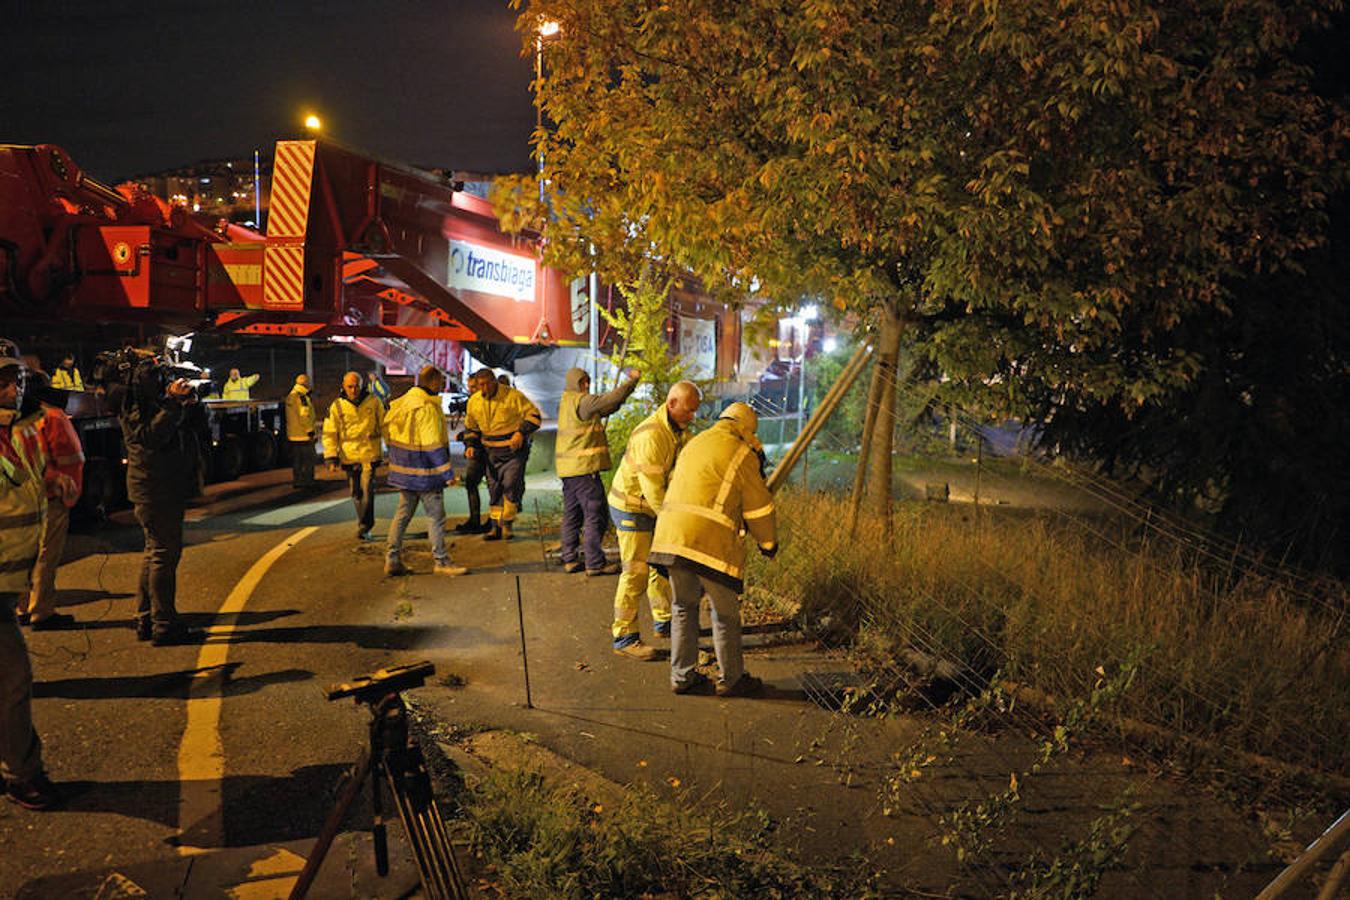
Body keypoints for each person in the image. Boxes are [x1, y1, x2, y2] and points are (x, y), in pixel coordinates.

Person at [650, 402, 777, 697]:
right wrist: (768, 543)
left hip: (670, 538)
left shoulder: (696, 442)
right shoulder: (742, 453)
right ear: (746, 429)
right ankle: (732, 679)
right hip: (709, 545)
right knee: (725, 613)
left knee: (683, 607)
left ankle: (682, 677)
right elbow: (758, 508)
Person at [0, 340, 60, 809]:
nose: (13, 388)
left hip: (8, 586)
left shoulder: (22, 432)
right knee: (13, 682)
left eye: (17, 379)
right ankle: (23, 774)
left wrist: (53, 484)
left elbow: (26, 487)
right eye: (3, 380)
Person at [606, 381, 701, 661]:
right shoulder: (653, 435)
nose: (692, 416)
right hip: (633, 507)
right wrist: (672, 522)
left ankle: (664, 622)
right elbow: (653, 490)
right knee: (635, 572)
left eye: (695, 411)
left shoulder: (676, 430)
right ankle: (624, 637)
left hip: (649, 507)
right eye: (689, 410)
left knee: (657, 567)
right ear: (672, 404)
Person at [119, 349, 209, 645]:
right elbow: (152, 437)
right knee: (163, 555)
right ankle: (164, 624)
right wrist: (173, 403)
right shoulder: (138, 405)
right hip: (157, 488)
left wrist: (185, 404)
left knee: (154, 551)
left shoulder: (144, 403)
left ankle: (146, 618)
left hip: (157, 486)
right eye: (159, 377)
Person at [383, 366, 467, 576]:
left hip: (404, 473)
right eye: (440, 383)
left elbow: (387, 431)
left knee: (402, 516)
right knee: (435, 517)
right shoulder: (426, 407)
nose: (441, 387)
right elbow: (432, 444)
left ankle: (392, 560)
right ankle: (441, 561)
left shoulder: (402, 403)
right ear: (433, 381)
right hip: (426, 474)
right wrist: (447, 473)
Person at [556, 366, 640, 575]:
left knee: (572, 514)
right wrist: (631, 382)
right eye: (584, 382)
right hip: (584, 470)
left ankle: (570, 558)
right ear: (577, 383)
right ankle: (594, 562)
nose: (587, 386)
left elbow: (608, 407)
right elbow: (609, 400)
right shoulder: (582, 401)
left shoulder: (568, 401)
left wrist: (618, 399)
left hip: (569, 471)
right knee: (596, 513)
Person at [22, 372, 83, 631]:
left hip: (21, 499)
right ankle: (42, 611)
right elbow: (71, 456)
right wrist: (68, 492)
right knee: (46, 556)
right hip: (51, 497)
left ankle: (22, 607)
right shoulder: (53, 416)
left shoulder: (15, 418)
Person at [463, 368, 541, 541]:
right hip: (490, 453)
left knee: (511, 485)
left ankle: (507, 524)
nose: (482, 389)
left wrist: (520, 432)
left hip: (513, 452)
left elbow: (534, 416)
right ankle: (494, 527)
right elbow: (471, 427)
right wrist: (470, 445)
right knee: (494, 490)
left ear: (493, 382)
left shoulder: (513, 396)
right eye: (479, 385)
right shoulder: (474, 402)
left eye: (485, 385)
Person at [324, 371, 385, 541]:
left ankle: (365, 526)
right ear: (343, 386)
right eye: (350, 386)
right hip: (349, 456)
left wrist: (395, 449)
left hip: (369, 454)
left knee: (368, 490)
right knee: (356, 493)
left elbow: (385, 425)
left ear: (362, 385)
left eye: (356, 385)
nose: (353, 389)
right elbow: (329, 433)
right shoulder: (337, 406)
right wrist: (331, 457)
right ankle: (364, 523)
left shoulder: (374, 402)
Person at [453, 376, 490, 535]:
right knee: (471, 483)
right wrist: (464, 436)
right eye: (470, 387)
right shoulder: (474, 402)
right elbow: (472, 427)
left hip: (486, 451)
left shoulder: (485, 402)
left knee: (492, 487)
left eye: (474, 386)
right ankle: (476, 521)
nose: (471, 390)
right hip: (476, 450)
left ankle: (492, 522)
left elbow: (482, 428)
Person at [284, 374, 316, 488]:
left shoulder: (291, 395)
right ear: (305, 383)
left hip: (294, 435)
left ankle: (298, 480)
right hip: (303, 435)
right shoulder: (301, 397)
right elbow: (304, 415)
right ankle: (308, 481)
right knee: (308, 459)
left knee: (297, 460)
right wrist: (310, 430)